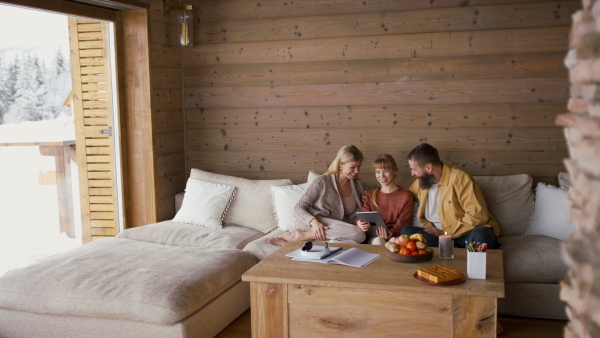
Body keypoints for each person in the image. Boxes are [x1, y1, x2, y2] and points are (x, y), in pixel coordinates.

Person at [400, 143, 501, 249]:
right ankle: (452, 249)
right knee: (406, 231)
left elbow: (477, 215)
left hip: (465, 234)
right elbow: (405, 196)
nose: (412, 174)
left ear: (429, 167)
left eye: (414, 169)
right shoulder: (421, 183)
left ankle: (451, 250)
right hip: (437, 237)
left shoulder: (460, 179)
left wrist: (446, 232)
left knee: (482, 233)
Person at [268, 145, 368, 246]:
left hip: (338, 229)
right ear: (340, 164)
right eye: (353, 167)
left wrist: (359, 219)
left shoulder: (358, 186)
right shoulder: (322, 182)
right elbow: (298, 208)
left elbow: (370, 203)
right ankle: (302, 235)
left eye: (359, 166)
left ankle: (299, 243)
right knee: (359, 235)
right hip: (317, 222)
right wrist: (314, 222)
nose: (357, 171)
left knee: (353, 242)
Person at [357, 154, 413, 245]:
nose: (381, 176)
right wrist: (360, 223)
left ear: (394, 171)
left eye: (386, 171)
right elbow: (363, 216)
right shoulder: (370, 195)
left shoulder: (405, 196)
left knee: (393, 242)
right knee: (379, 241)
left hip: (395, 236)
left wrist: (390, 234)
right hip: (374, 237)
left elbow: (403, 224)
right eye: (377, 172)